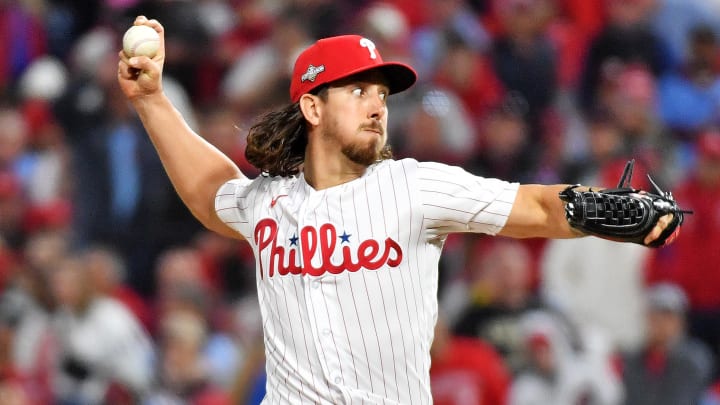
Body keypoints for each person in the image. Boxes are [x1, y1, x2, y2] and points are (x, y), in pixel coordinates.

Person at [117, 15, 679, 404]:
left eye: (382, 95)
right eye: (358, 91)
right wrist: (152, 100)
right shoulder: (270, 202)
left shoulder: (416, 188)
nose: (377, 107)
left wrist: (602, 212)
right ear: (312, 107)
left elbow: (532, 204)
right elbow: (212, 195)